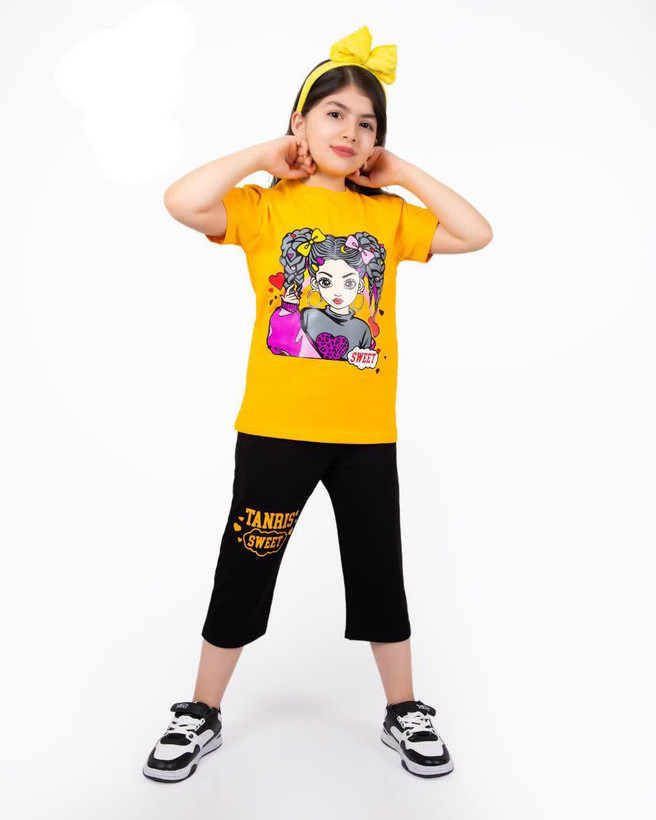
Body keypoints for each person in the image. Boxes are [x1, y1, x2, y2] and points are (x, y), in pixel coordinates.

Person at [142, 25, 492, 783]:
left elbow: (476, 233)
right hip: (275, 430)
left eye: (367, 123)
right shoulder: (264, 207)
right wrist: (262, 155)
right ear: (299, 121)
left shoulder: (387, 216)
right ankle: (201, 710)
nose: (351, 131)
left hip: (365, 436)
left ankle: (404, 709)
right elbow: (181, 200)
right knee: (245, 564)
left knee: (379, 570)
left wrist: (403, 172)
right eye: (334, 113)